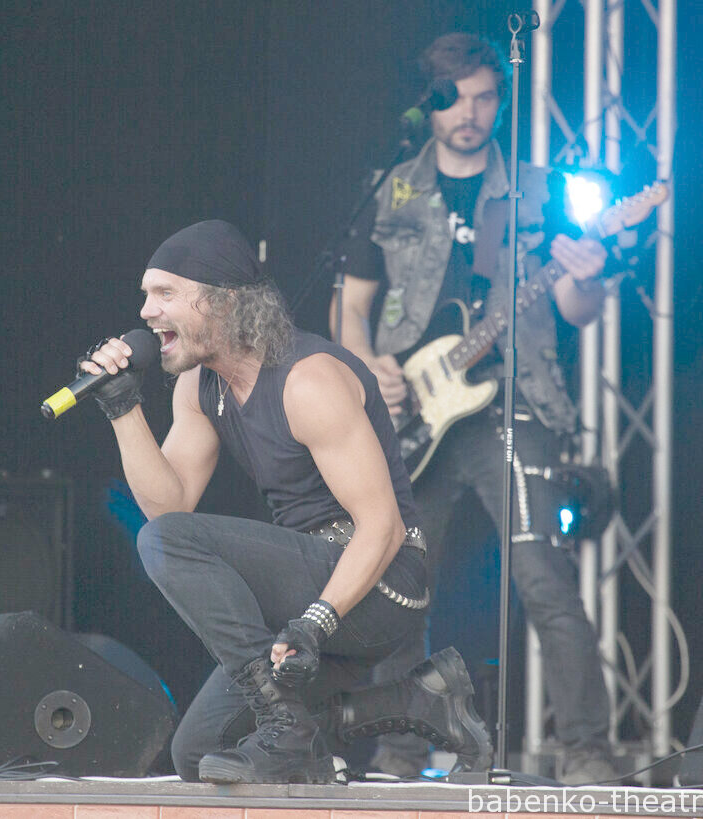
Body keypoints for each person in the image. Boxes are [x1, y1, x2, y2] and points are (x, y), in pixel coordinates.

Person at [77, 219, 492, 784]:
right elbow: (167, 507)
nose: (146, 311)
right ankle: (417, 702)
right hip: (307, 587)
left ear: (222, 301)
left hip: (378, 585)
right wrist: (122, 409)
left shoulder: (308, 380)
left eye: (164, 293)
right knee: (198, 754)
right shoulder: (199, 386)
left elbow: (384, 527)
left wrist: (314, 623)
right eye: (146, 295)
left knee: (166, 543)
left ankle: (285, 723)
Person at [329, 33, 615, 785]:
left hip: (511, 404)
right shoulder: (391, 188)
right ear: (430, 103)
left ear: (501, 101)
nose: (471, 113)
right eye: (456, 98)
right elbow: (350, 307)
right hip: (412, 418)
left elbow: (577, 309)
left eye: (487, 97)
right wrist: (367, 369)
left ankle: (586, 749)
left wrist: (591, 274)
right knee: (397, 586)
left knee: (544, 578)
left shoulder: (537, 190)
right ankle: (398, 751)